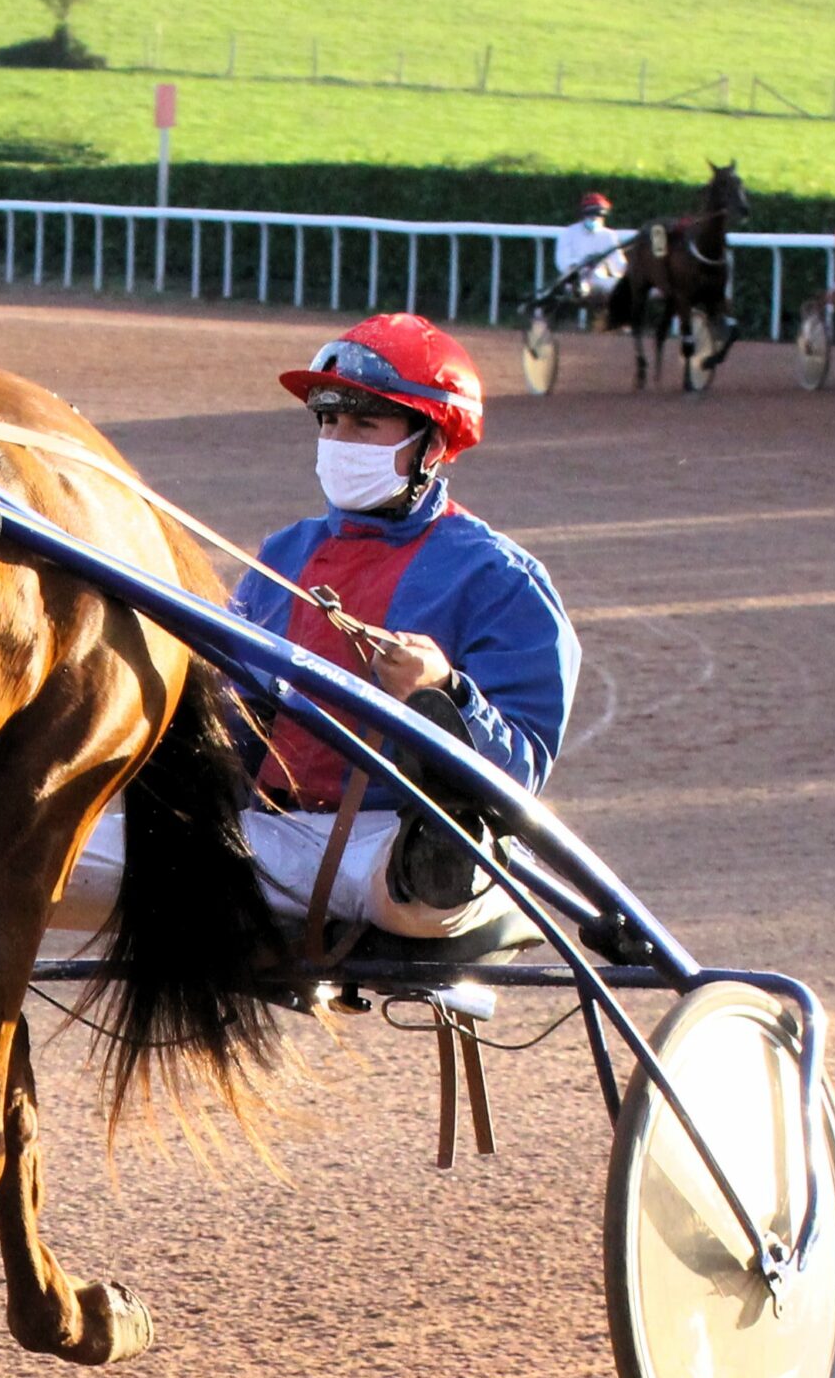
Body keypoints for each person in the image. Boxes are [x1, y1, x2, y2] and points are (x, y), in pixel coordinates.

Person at [59, 314, 580, 948]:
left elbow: (520, 771)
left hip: (394, 846)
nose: (339, 439)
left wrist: (443, 691)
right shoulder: (283, 555)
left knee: (427, 875)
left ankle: (455, 874)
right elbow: (227, 721)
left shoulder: (500, 579)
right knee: (38, 847)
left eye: (365, 423)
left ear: (433, 443)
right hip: (266, 839)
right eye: (329, 422)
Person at [551, 191, 627, 322]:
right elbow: (562, 260)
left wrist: (628, 271)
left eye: (597, 215)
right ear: (584, 215)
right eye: (591, 215)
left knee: (624, 287)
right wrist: (578, 266)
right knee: (581, 289)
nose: (594, 218)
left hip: (600, 280)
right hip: (575, 279)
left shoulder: (609, 235)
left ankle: (619, 323)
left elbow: (618, 265)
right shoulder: (569, 233)